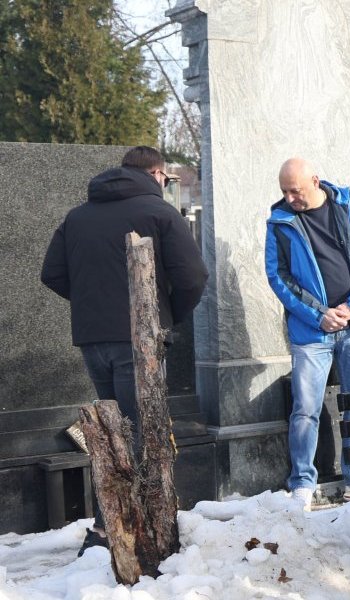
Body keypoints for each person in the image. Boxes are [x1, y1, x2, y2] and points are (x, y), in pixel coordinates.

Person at [40, 145, 208, 552]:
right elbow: (193, 277)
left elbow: (52, 273)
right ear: (156, 173)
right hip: (140, 339)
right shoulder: (160, 213)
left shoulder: (77, 217)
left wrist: (92, 306)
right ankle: (110, 532)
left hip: (92, 339)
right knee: (138, 433)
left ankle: (118, 526)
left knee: (113, 433)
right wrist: (168, 315)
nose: (166, 186)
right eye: (167, 179)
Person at [265, 157, 350, 508]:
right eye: (285, 191)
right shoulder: (280, 223)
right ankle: (302, 480)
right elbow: (279, 277)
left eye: (296, 190)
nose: (290, 198)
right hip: (312, 330)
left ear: (315, 181)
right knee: (305, 407)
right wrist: (319, 316)